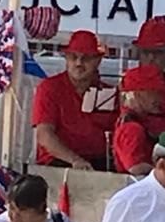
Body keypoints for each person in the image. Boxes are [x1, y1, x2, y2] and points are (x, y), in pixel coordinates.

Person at [32, 29, 116, 170]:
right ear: (66, 58)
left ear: (98, 60)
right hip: (57, 163)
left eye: (86, 58)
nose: (79, 63)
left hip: (98, 163)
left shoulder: (108, 91)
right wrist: (75, 160)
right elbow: (44, 134)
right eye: (73, 57)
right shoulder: (49, 88)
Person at [113, 64, 165, 175]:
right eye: (153, 92)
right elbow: (135, 167)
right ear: (136, 94)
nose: (159, 98)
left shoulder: (138, 123)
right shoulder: (132, 128)